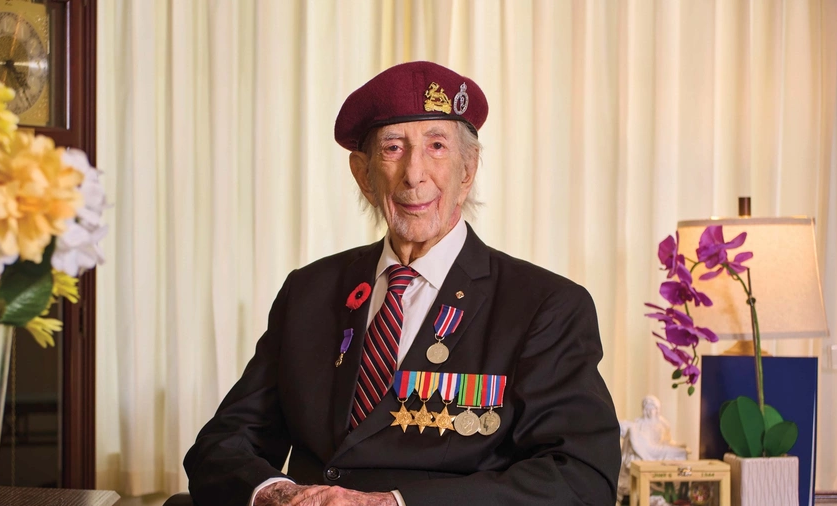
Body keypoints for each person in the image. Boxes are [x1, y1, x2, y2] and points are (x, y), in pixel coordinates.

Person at [183, 61, 620, 506]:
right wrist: (279, 494)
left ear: (467, 171)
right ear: (364, 174)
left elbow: (580, 476)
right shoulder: (308, 291)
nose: (414, 173)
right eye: (393, 148)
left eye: (436, 146)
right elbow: (222, 444)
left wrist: (390, 504)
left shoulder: (545, 305)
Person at [618, 395, 689, 500]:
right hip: (648, 450)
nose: (653, 411)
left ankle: (680, 489)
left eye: (655, 408)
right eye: (650, 408)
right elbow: (636, 443)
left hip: (660, 449)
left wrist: (679, 445)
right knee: (678, 452)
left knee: (682, 452)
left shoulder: (663, 423)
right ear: (645, 410)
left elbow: (668, 441)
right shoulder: (638, 425)